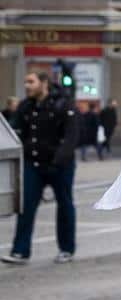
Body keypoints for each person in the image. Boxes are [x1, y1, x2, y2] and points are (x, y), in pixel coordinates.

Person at [4, 71, 78, 266]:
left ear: (43, 83)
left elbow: (71, 137)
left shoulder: (63, 104)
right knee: (25, 206)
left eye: (31, 81)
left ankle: (66, 249)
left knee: (65, 204)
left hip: (60, 165)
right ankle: (20, 251)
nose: (27, 86)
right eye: (25, 82)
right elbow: (15, 132)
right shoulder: (26, 106)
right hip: (33, 163)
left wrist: (59, 160)